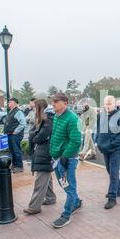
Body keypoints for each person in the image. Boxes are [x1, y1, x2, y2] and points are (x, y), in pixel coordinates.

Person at [49, 93, 82, 228]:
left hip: (67, 159)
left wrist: (65, 156)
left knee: (69, 187)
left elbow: (75, 141)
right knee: (65, 185)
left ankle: (66, 214)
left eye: (56, 101)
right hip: (57, 158)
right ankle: (76, 202)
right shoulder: (56, 117)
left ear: (65, 103)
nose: (53, 103)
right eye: (53, 101)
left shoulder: (72, 118)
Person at [24, 99, 56, 215]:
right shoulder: (44, 119)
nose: (33, 109)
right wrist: (34, 134)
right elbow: (34, 132)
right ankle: (50, 198)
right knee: (46, 177)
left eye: (34, 108)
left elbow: (40, 136)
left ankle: (34, 207)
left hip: (45, 152)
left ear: (39, 108)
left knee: (40, 180)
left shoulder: (48, 119)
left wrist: (34, 135)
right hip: (43, 151)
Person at [96, 96, 120, 209]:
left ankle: (112, 198)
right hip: (104, 148)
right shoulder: (101, 116)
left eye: (110, 103)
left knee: (113, 172)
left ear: (114, 104)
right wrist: (98, 141)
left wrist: (112, 144)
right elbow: (98, 130)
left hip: (115, 149)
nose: (108, 105)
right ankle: (118, 190)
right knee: (109, 170)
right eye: (106, 103)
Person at [3, 98, 26, 173]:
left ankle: (19, 166)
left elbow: (23, 123)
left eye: (10, 102)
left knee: (16, 150)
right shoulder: (11, 111)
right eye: (8, 102)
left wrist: (16, 131)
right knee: (12, 150)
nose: (8, 103)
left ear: (15, 103)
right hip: (10, 134)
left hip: (15, 135)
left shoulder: (18, 112)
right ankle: (15, 165)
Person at [26, 98, 36, 162]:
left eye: (30, 103)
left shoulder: (38, 111)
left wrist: (30, 119)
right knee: (31, 146)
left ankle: (34, 159)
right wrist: (29, 119)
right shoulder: (31, 111)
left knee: (35, 147)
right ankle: (30, 158)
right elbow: (26, 119)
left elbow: (34, 120)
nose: (29, 104)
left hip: (35, 132)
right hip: (30, 132)